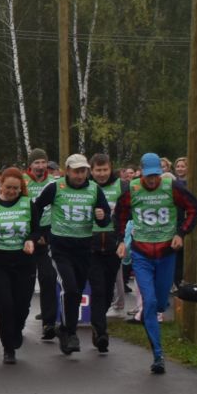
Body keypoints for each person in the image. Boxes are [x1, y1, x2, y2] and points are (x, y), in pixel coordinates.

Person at [112, 153, 197, 374]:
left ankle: (157, 310)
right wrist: (121, 240)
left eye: (156, 176)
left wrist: (181, 233)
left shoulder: (171, 186)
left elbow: (194, 208)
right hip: (142, 253)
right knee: (150, 302)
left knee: (161, 302)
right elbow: (120, 215)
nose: (153, 180)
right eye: (149, 176)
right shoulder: (132, 189)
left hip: (166, 253)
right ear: (142, 172)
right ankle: (158, 355)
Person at [32, 152, 113, 356]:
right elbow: (37, 207)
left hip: (85, 248)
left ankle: (66, 329)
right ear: (67, 171)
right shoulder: (55, 187)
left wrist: (102, 217)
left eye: (83, 171)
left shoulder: (94, 189)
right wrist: (39, 233)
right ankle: (69, 333)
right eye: (76, 171)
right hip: (60, 247)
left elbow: (105, 216)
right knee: (70, 288)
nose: (80, 175)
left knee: (77, 288)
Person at [0, 167, 37, 365]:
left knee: (21, 305)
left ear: (21, 187)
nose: (12, 191)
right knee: (4, 304)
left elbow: (38, 228)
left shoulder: (27, 204)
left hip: (24, 261)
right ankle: (8, 347)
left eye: (16, 188)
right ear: (0, 186)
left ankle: (18, 328)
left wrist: (31, 239)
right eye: (8, 187)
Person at [23, 149, 58, 340]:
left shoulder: (53, 182)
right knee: (26, 281)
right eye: (36, 162)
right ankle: (20, 317)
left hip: (46, 233)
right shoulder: (22, 181)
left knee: (48, 277)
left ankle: (49, 322)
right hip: (26, 234)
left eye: (43, 162)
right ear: (30, 165)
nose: (40, 166)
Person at [89, 153, 125, 317]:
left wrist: (123, 239)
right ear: (92, 170)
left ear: (111, 169)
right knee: (96, 284)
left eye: (105, 169)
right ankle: (97, 317)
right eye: (98, 170)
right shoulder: (86, 186)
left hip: (113, 241)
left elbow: (128, 214)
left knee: (110, 284)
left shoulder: (122, 186)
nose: (102, 173)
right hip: (91, 241)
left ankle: (107, 310)